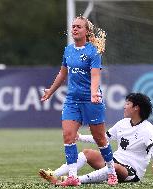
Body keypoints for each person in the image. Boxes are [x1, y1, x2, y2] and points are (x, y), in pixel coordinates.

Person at [40, 16, 117, 186]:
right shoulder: (68, 50)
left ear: (87, 31)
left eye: (78, 27)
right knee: (68, 136)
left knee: (100, 139)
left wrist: (94, 93)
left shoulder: (93, 51)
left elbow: (95, 75)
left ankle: (112, 172)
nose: (74, 29)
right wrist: (50, 91)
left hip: (91, 100)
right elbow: (62, 73)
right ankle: (73, 177)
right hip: (72, 100)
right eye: (73, 26)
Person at [39, 93, 153, 185]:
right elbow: (102, 138)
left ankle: (77, 180)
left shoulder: (147, 128)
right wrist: (80, 137)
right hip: (115, 160)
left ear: (136, 108)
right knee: (88, 153)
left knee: (114, 167)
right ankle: (54, 174)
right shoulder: (123, 123)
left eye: (128, 104)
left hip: (132, 172)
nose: (124, 106)